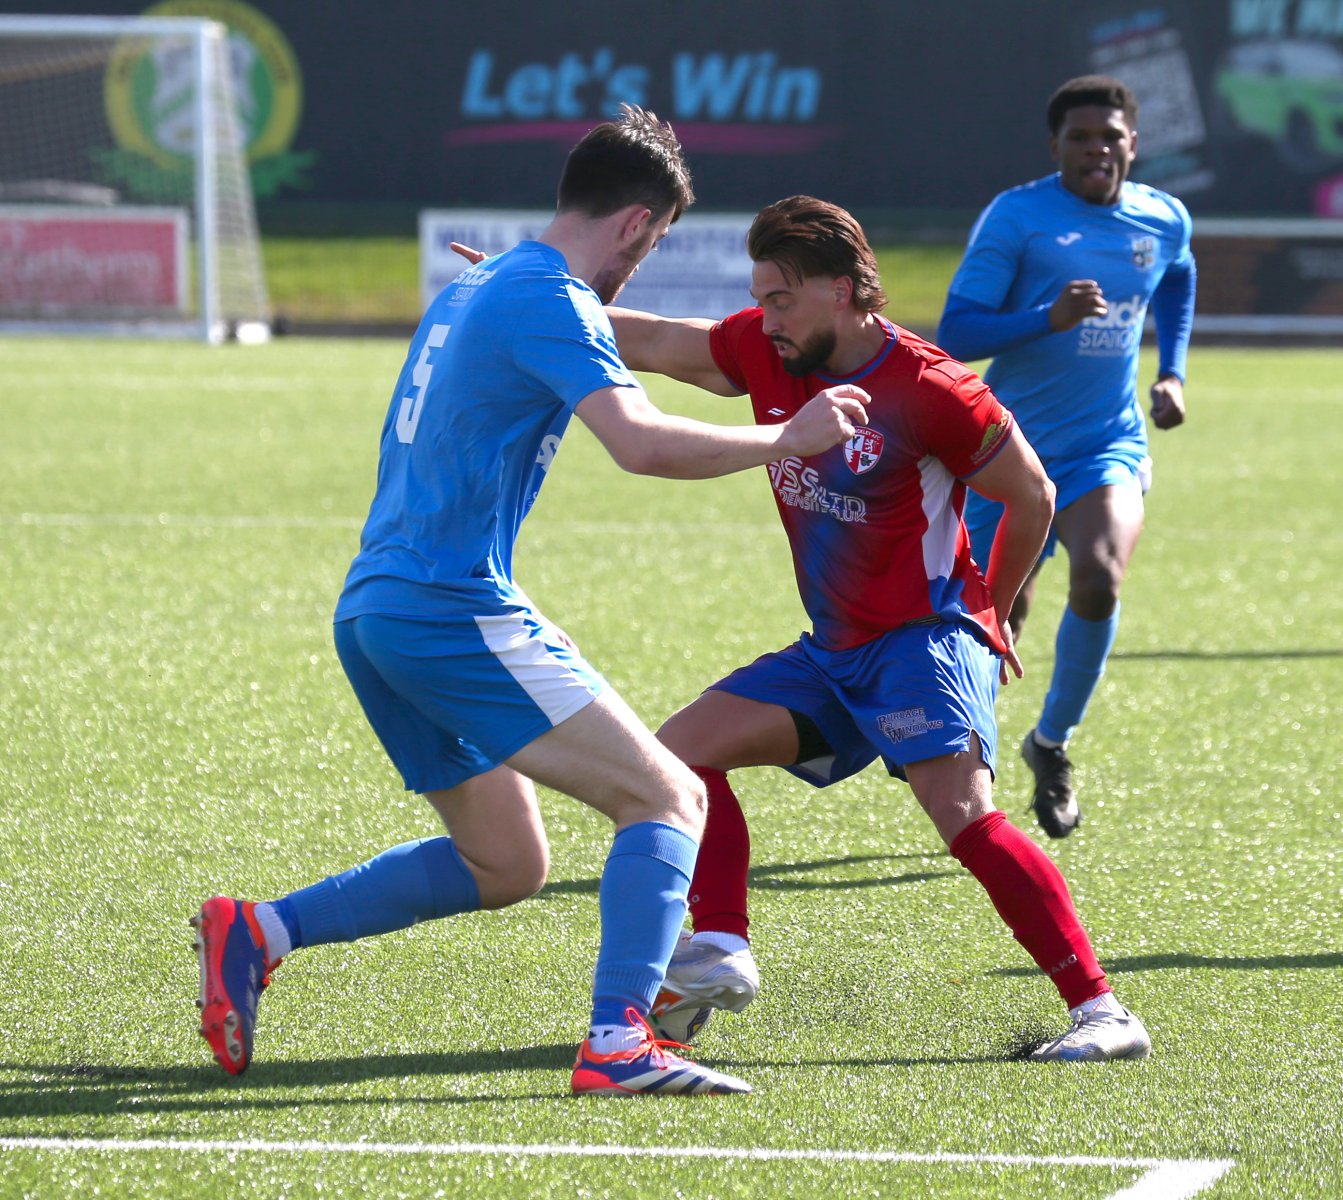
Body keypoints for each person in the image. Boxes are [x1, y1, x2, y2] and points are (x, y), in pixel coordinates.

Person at [189, 107, 869, 1096]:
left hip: (373, 611)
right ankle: (619, 1041)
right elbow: (639, 443)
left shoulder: (481, 283)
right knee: (667, 796)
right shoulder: (548, 296)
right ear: (636, 224)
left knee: (505, 863)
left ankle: (260, 932)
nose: (640, 264)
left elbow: (649, 352)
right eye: (653, 243)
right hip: (448, 605)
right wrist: (784, 439)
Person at [601, 194, 1152, 1062]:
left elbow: (1033, 494)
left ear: (843, 289)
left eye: (781, 298)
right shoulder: (768, 349)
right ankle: (721, 948)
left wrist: (992, 609)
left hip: (922, 640)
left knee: (963, 815)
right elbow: (656, 340)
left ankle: (1103, 1012)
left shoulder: (933, 388)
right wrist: (531, 298)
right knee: (677, 758)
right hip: (834, 650)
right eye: (760, 298)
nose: (766, 317)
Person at [937, 75, 1196, 839]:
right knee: (996, 621)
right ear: (1054, 147)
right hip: (1007, 453)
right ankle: (970, 774)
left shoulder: (1161, 216)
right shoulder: (1017, 217)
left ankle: (1049, 746)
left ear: (1132, 144)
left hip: (1104, 445)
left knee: (1100, 574)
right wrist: (1045, 318)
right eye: (1079, 138)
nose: (1096, 150)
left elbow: (1177, 275)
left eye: (1109, 137)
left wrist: (1171, 371)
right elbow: (957, 331)